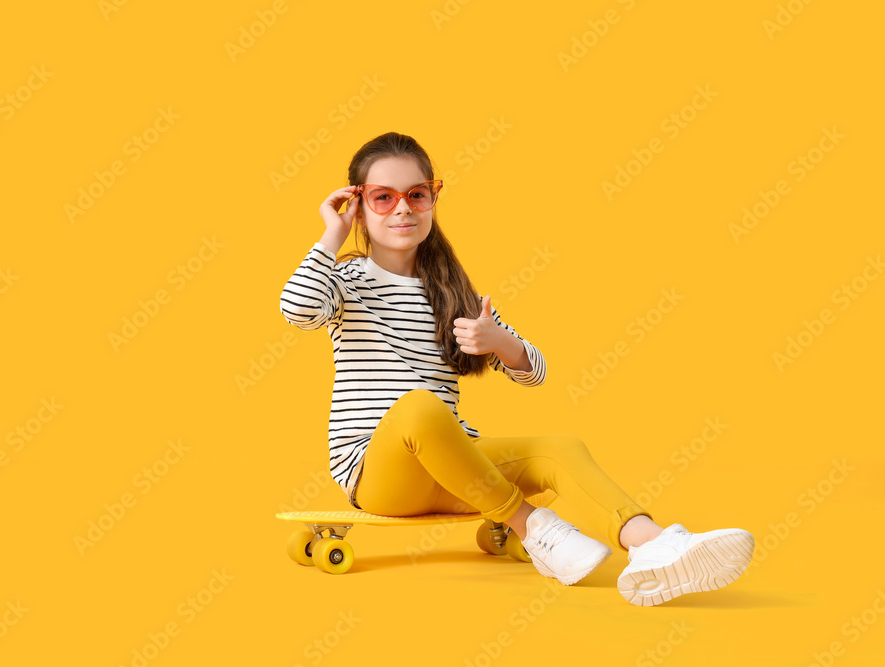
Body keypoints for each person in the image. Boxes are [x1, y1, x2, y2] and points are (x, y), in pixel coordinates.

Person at [278, 131, 754, 605]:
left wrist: (499, 342)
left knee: (560, 447)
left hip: (458, 469)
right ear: (358, 204)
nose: (403, 208)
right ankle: (533, 527)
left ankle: (653, 545)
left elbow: (535, 372)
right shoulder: (343, 280)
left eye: (416, 195)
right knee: (419, 407)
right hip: (381, 476)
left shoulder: (452, 292)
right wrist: (332, 235)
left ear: (432, 199)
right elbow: (296, 310)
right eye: (383, 198)